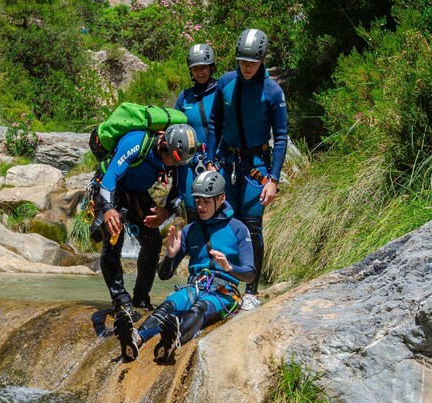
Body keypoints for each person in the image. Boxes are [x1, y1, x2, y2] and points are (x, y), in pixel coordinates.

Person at [114, 170, 255, 362]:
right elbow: (164, 275)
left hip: (224, 292)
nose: (200, 206)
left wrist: (229, 267)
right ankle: (135, 339)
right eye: (198, 201)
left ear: (221, 199)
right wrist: (170, 255)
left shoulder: (238, 228)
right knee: (167, 307)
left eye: (206, 201)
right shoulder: (190, 230)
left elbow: (250, 274)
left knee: (198, 309)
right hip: (194, 286)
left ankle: (173, 340)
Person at [205, 28, 288, 311]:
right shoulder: (226, 83)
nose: (247, 67)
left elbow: (280, 135)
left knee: (252, 227)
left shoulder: (273, 91)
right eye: (243, 62)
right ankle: (227, 286)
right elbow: (214, 122)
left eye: (252, 62)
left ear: (263, 59)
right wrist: (210, 159)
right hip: (226, 163)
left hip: (256, 167)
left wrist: (273, 179)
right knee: (227, 222)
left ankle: (251, 290)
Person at [94, 123, 198, 317]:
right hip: (109, 190)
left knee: (152, 242)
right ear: (164, 144)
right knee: (114, 238)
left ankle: (141, 298)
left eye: (179, 163)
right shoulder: (135, 143)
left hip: (137, 193)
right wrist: (108, 209)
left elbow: (180, 190)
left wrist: (166, 212)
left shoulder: (180, 159)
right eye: (173, 161)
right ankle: (120, 300)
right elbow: (109, 179)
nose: (175, 166)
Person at [174, 43, 219, 222]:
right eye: (196, 68)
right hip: (190, 163)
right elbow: (175, 131)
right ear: (190, 71)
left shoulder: (220, 90)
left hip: (217, 160)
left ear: (211, 67)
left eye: (204, 67)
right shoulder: (184, 97)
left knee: (217, 210)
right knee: (193, 211)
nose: (200, 72)